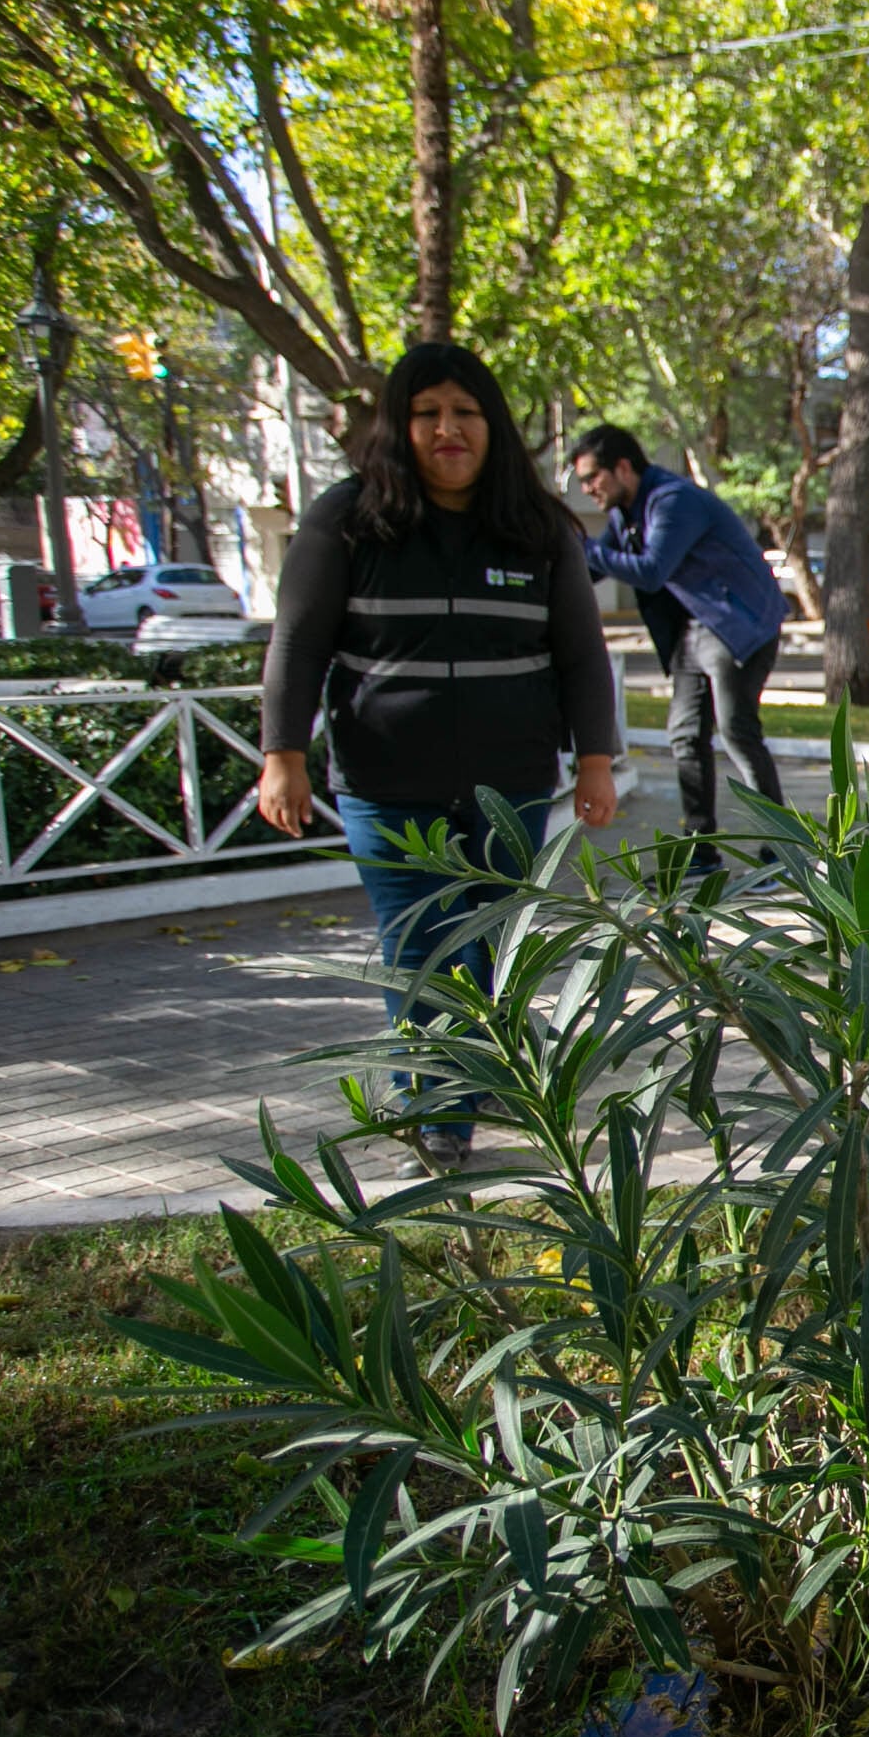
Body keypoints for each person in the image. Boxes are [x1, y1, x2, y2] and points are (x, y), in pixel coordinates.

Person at [257, 342, 622, 1177]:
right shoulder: (344, 520)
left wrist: (595, 759)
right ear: (399, 425)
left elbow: (581, 654)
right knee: (416, 943)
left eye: (465, 413)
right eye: (427, 414)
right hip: (387, 785)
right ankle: (437, 1112)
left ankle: (477, 1072)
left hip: (511, 785)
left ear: (493, 426)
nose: (447, 430)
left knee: (491, 941)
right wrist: (283, 753)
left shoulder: (538, 528)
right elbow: (298, 641)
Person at [567, 425, 788, 844]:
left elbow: (652, 570)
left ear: (623, 467)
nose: (587, 489)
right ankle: (699, 850)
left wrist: (582, 547)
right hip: (694, 629)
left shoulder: (674, 501)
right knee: (685, 736)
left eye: (592, 478)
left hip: (735, 625)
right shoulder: (625, 513)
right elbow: (592, 568)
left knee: (737, 732)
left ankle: (781, 849)